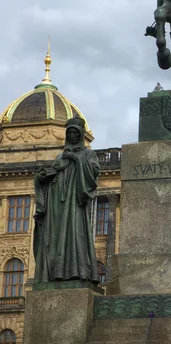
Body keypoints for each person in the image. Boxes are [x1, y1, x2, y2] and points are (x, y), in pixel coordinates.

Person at [33, 117, 100, 283]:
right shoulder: (59, 157)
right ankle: (56, 273)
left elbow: (92, 175)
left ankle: (77, 271)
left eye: (75, 132)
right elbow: (53, 174)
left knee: (76, 236)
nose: (72, 136)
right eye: (69, 132)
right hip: (58, 205)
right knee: (56, 239)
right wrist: (42, 178)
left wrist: (75, 158)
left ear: (81, 134)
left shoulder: (88, 154)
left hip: (75, 203)